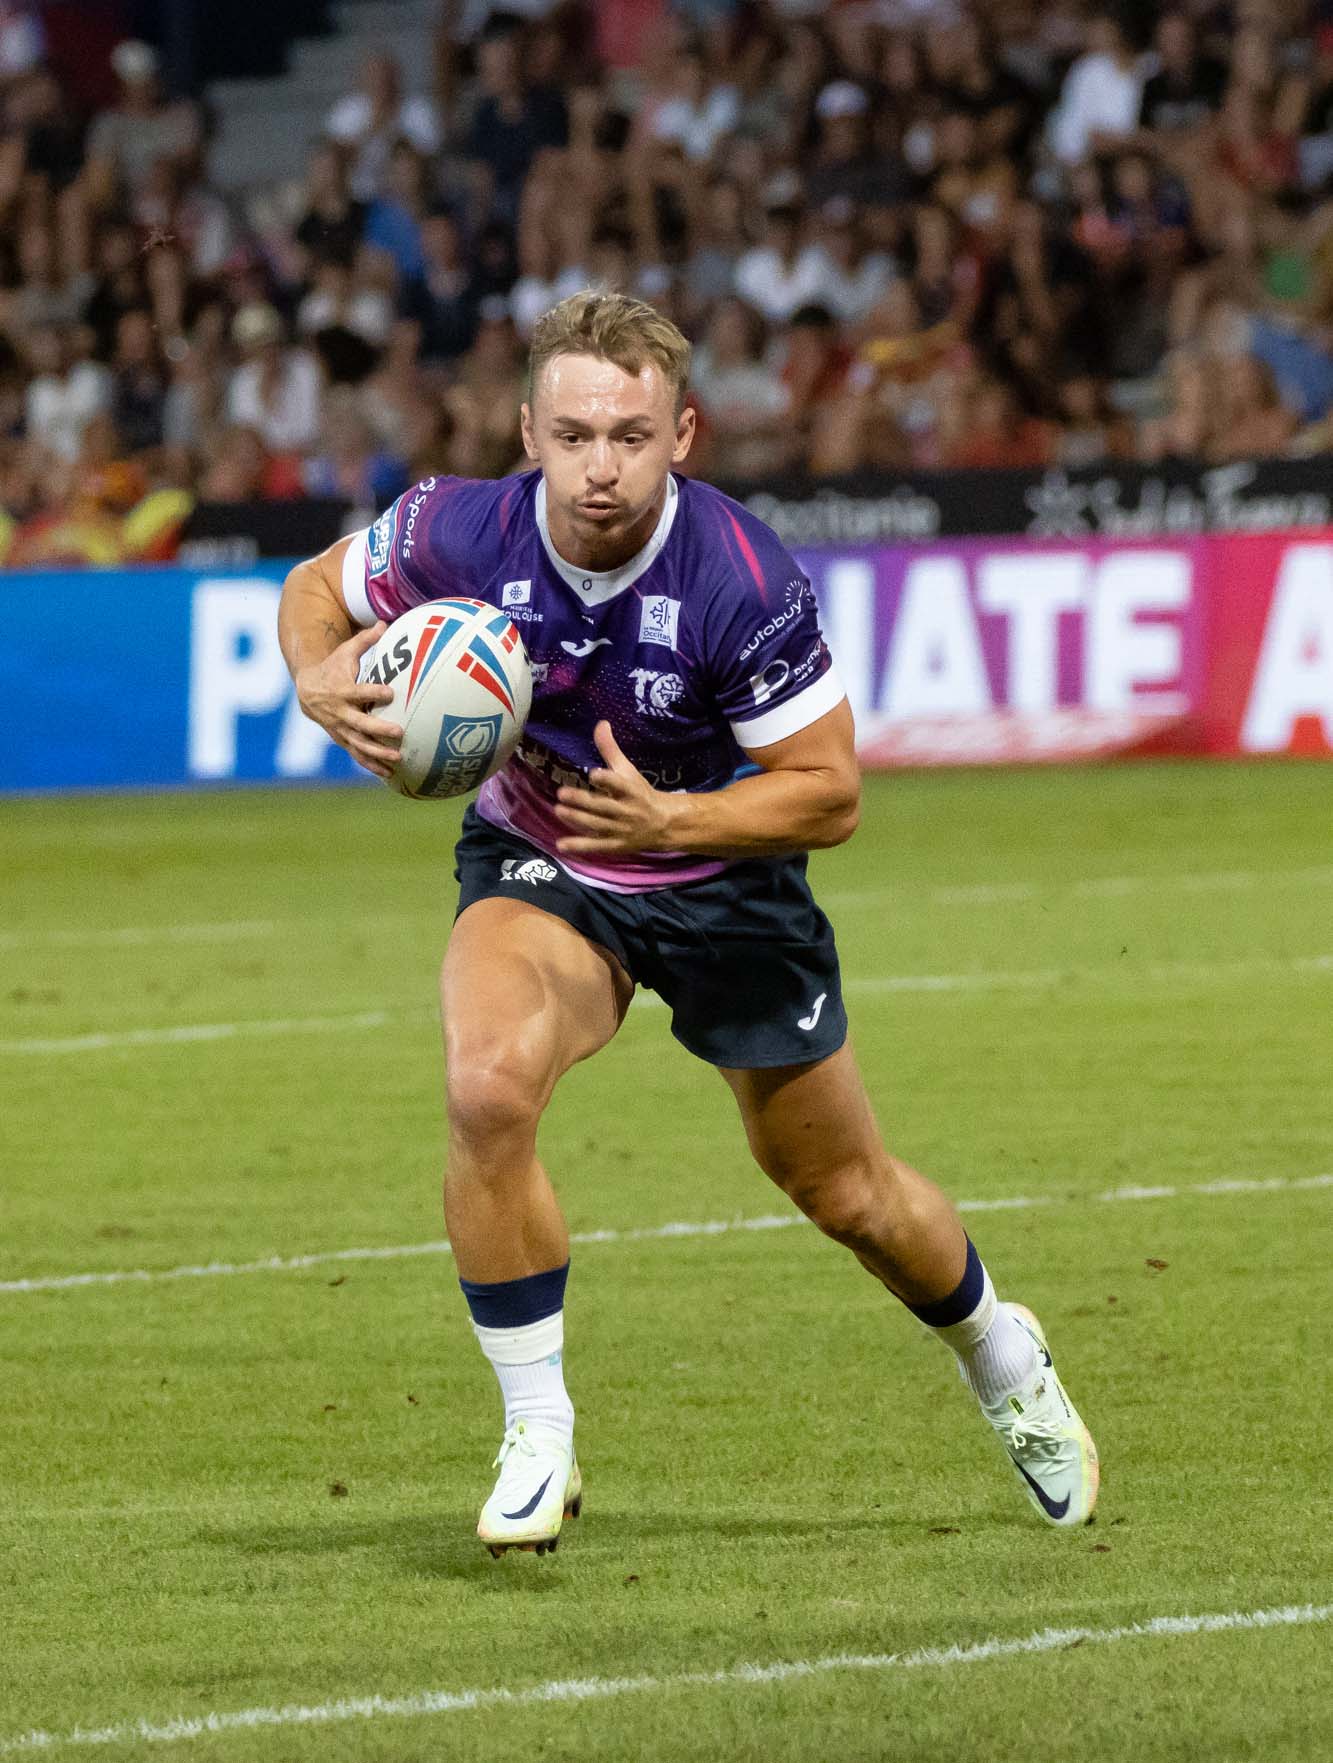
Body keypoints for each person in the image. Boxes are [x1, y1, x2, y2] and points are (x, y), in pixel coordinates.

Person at [278, 290, 1099, 1557]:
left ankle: (1001, 1353)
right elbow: (314, 586)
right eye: (572, 435)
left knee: (843, 1191)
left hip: (724, 880)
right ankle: (537, 1431)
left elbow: (829, 792)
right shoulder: (457, 525)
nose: (599, 467)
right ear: (528, 432)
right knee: (487, 1086)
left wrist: (674, 820)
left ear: (683, 435)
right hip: (549, 855)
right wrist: (316, 674)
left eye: (630, 435)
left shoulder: (741, 580)